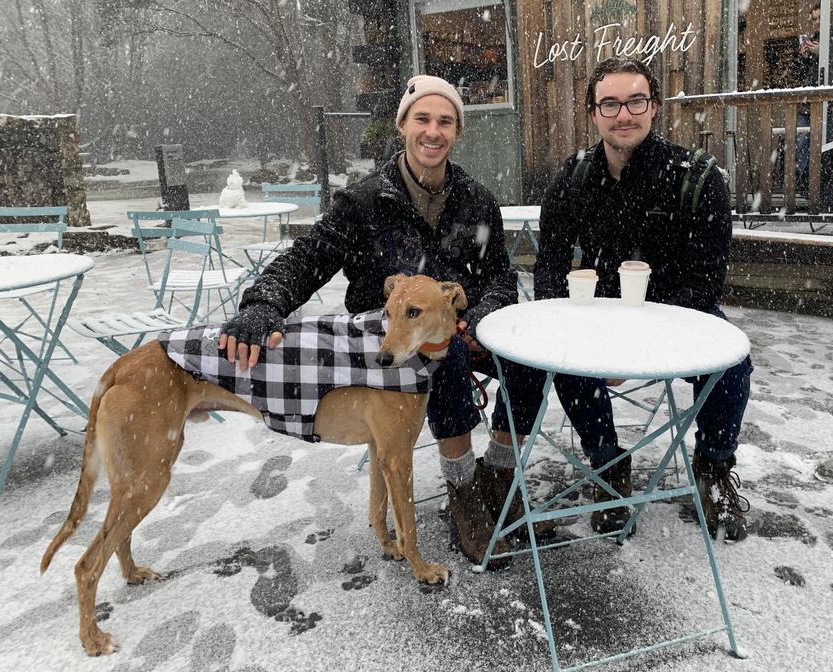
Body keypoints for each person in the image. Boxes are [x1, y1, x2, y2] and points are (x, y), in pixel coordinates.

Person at [218, 75, 601, 565]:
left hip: (460, 328)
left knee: (527, 359)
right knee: (445, 357)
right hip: (386, 346)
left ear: (457, 132)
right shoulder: (363, 203)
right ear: (403, 125)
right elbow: (307, 257)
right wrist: (263, 304)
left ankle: (499, 477)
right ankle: (462, 490)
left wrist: (481, 317)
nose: (433, 131)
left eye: (445, 121)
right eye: (422, 118)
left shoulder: (477, 201)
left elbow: (500, 279)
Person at [531, 56, 754, 541]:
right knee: (565, 357)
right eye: (609, 103)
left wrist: (643, 345)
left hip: (678, 316)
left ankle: (714, 468)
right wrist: (561, 322)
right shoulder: (574, 177)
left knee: (733, 363)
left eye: (635, 101)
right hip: (598, 313)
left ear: (653, 107)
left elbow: (706, 281)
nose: (623, 114)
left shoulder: (696, 178)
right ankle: (607, 465)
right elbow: (548, 265)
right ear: (593, 113)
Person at [794, 2, 833, 176]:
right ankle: (803, 185)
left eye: (820, 18)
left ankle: (826, 184)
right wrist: (803, 57)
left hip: (831, 104)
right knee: (802, 145)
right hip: (807, 104)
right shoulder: (811, 41)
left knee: (829, 146)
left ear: (830, 18)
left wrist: (823, 52)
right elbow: (799, 74)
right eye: (814, 19)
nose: (816, 22)